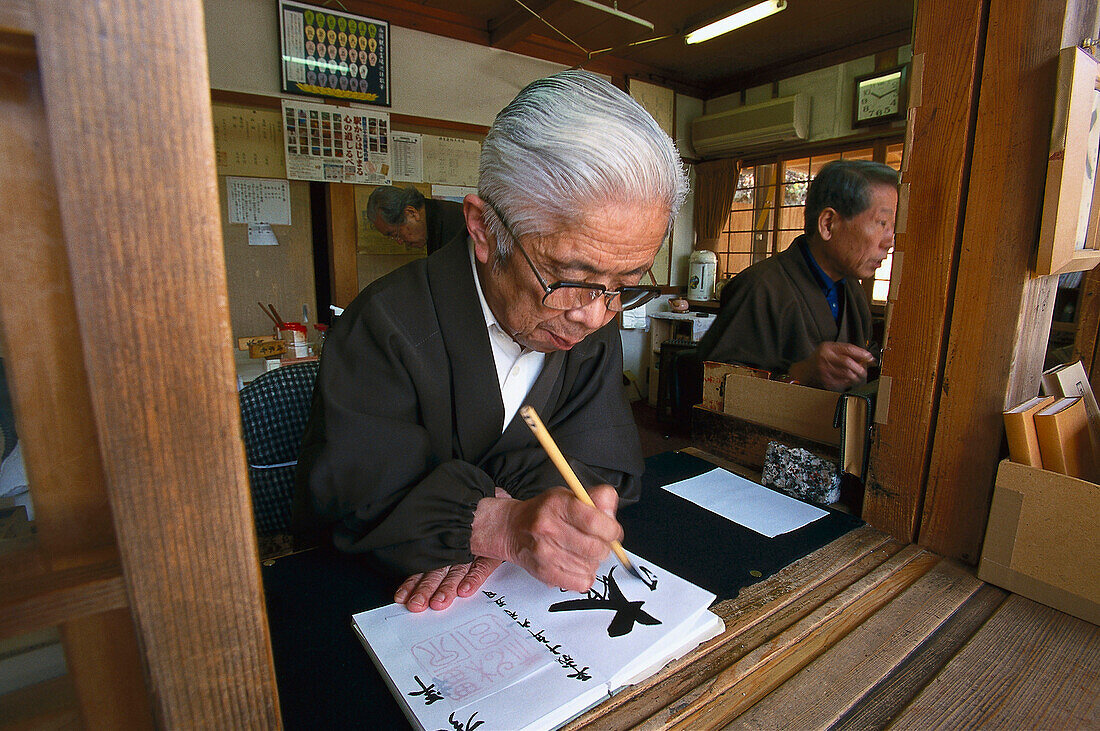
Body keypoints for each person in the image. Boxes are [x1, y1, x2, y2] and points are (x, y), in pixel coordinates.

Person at [295, 70, 688, 613]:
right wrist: (495, 523)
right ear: (483, 229)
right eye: (569, 276)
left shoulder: (591, 308)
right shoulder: (385, 323)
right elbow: (350, 493)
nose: (595, 316)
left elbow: (603, 457)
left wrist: (547, 518)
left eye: (625, 285)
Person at [694, 160, 898, 391]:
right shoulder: (759, 287)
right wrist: (798, 374)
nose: (890, 241)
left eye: (892, 226)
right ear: (828, 224)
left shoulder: (852, 289)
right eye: (882, 223)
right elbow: (710, 384)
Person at [366, 185, 467, 254]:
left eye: (395, 234)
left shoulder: (453, 224)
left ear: (411, 213)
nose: (400, 242)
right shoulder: (434, 221)